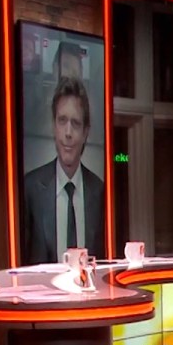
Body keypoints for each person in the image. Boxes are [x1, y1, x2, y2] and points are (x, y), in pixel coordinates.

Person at [22, 77, 105, 265]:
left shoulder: (100, 192)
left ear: (85, 132)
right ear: (54, 126)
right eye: (62, 121)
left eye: (75, 123)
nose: (68, 133)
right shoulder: (30, 189)